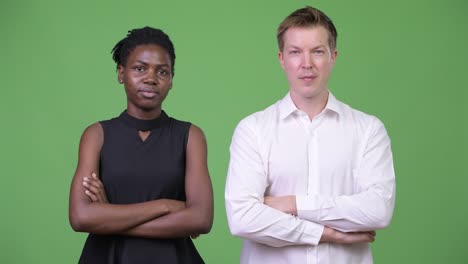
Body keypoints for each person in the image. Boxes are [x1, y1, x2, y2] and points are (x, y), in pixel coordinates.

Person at [225, 6, 395, 264]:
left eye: (317, 51)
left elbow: (378, 210)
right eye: (295, 52)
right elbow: (242, 219)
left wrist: (292, 204)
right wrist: (324, 234)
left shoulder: (368, 130)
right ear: (282, 58)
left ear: (333, 56)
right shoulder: (253, 130)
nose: (307, 64)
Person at [69, 26, 213, 264]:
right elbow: (81, 216)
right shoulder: (96, 135)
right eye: (139, 68)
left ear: (171, 80)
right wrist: (166, 205)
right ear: (120, 73)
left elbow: (201, 219)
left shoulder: (190, 136)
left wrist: (109, 219)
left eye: (163, 72)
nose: (151, 78)